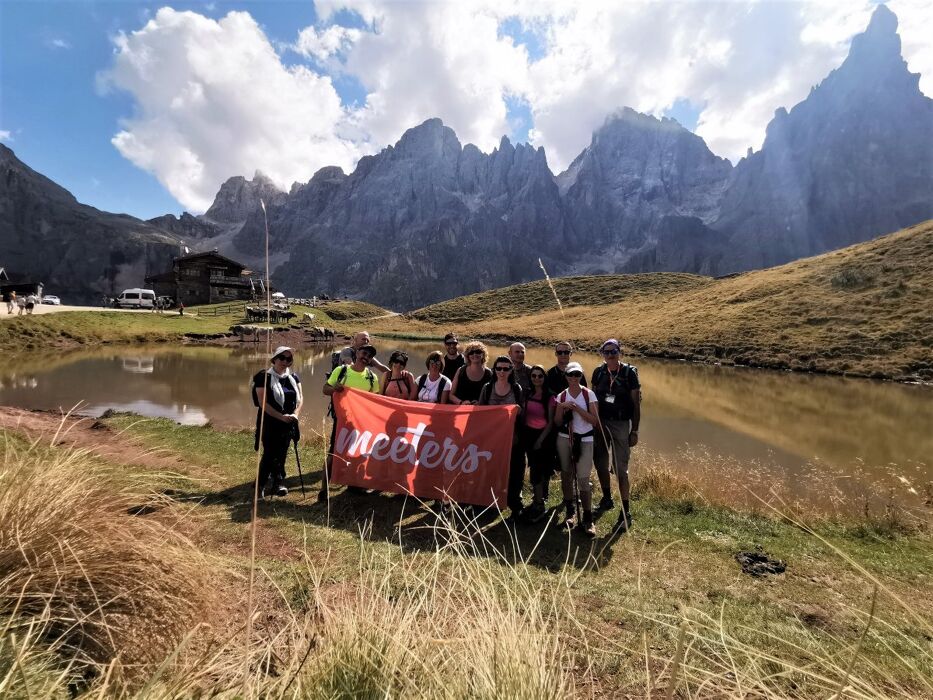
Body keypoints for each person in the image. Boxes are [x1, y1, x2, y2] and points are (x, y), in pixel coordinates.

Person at [591, 339, 641, 531]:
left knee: (621, 469)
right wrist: (595, 422)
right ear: (602, 354)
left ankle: (625, 510)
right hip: (602, 424)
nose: (610, 355)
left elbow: (636, 404)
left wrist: (634, 430)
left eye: (614, 351)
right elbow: (593, 399)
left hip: (621, 424)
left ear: (619, 352)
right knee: (601, 463)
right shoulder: (599, 372)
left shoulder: (629, 373)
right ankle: (607, 499)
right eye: (607, 352)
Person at [321, 343, 380, 501]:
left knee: (358, 454)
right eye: (363, 353)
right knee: (334, 453)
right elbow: (325, 389)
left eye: (369, 355)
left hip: (361, 424)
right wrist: (335, 389)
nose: (365, 357)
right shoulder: (341, 371)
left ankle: (354, 486)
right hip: (342, 421)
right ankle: (323, 489)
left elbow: (375, 401)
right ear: (357, 353)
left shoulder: (372, 378)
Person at [553, 361, 600, 536]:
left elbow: (594, 421)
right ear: (566, 376)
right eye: (570, 375)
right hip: (564, 439)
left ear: (581, 376)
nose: (573, 378)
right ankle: (570, 512)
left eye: (577, 375)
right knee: (566, 475)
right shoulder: (561, 396)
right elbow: (557, 422)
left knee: (583, 478)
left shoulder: (589, 395)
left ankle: (588, 518)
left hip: (585, 440)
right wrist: (562, 408)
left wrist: (577, 409)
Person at [251, 346, 303, 498]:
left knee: (282, 452)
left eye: (289, 359)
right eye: (282, 358)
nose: (285, 361)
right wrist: (281, 417)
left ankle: (278, 483)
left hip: (289, 422)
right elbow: (263, 403)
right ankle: (260, 484)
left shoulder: (294, 377)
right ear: (274, 359)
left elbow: (301, 398)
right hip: (269, 421)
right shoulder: (263, 377)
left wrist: (295, 414)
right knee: (269, 453)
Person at [478, 355, 525, 519]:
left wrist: (518, 410)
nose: (502, 372)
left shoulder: (516, 389)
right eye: (499, 368)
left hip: (512, 439)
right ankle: (489, 503)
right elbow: (480, 412)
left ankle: (514, 505)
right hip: (492, 439)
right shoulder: (487, 388)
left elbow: (522, 413)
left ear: (511, 370)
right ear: (494, 369)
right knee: (490, 470)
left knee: (513, 472)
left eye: (506, 368)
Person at [520, 365, 555, 523]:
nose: (536, 379)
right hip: (528, 434)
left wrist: (540, 440)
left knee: (538, 471)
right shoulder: (527, 392)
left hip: (542, 437)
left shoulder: (549, 396)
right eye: (534, 376)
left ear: (544, 377)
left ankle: (539, 504)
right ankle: (537, 501)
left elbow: (550, 422)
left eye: (540, 376)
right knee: (534, 469)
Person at [449, 341, 492, 405]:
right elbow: (451, 395)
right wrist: (461, 402)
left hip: (480, 410)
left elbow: (492, 397)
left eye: (478, 352)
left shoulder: (489, 373)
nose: (474, 354)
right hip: (461, 409)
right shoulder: (460, 371)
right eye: (471, 353)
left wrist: (480, 403)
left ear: (483, 354)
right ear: (468, 356)